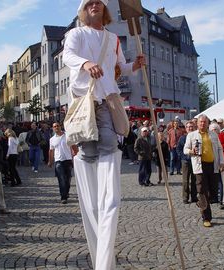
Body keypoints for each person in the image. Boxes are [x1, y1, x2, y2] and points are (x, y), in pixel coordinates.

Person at [62, 0, 145, 269]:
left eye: (99, 1)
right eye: (90, 2)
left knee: (110, 146)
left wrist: (135, 65)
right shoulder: (76, 33)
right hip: (85, 102)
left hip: (107, 100)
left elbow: (118, 67)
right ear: (84, 9)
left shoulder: (113, 39)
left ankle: (107, 195)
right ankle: (93, 190)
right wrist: (86, 63)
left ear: (105, 9)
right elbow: (69, 56)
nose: (95, 5)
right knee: (88, 152)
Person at [184, 114, 224, 227]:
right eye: (200, 122)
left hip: (212, 165)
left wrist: (222, 162)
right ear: (197, 123)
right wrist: (191, 151)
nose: (202, 124)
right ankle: (206, 217)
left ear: (208, 123)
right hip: (199, 166)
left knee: (213, 191)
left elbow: (220, 149)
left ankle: (200, 202)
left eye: (204, 122)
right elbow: (185, 149)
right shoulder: (192, 135)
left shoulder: (213, 134)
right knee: (202, 190)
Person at [48, 122, 73, 204]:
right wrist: (50, 161)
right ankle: (63, 196)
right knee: (61, 179)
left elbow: (73, 147)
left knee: (68, 178)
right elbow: (51, 151)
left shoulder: (67, 135)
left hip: (68, 159)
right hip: (58, 161)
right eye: (54, 126)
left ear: (60, 126)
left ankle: (66, 192)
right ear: (53, 128)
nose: (56, 128)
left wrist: (74, 157)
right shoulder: (52, 139)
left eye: (57, 126)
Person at [177, 121, 197, 204]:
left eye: (191, 126)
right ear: (186, 128)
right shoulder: (182, 138)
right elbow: (178, 149)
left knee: (194, 180)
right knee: (185, 180)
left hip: (195, 161)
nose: (190, 128)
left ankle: (194, 197)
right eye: (188, 127)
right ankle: (185, 197)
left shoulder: (197, 137)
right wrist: (183, 157)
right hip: (186, 161)